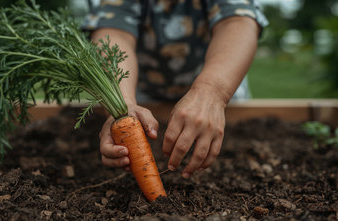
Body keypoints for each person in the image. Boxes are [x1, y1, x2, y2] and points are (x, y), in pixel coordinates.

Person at [82, 0, 268, 178]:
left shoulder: (215, 91)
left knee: (233, 141)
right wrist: (122, 101)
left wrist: (212, 92)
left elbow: (237, 21)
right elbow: (114, 32)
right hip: (140, 93)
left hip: (219, 88)